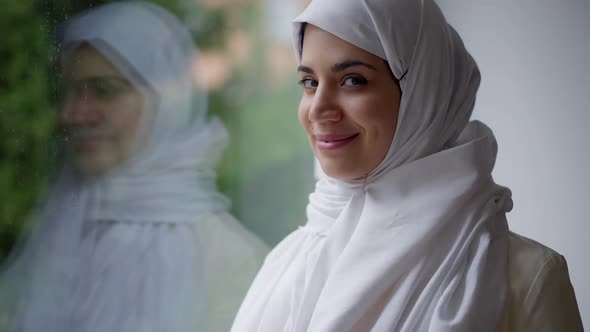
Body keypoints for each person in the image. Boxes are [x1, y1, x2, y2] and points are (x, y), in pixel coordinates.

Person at [231, 0, 584, 331]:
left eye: (353, 80)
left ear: (423, 92)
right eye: (309, 82)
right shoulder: (287, 263)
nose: (319, 109)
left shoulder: (526, 277)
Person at [0, 2, 267, 332]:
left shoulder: (230, 259)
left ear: (167, 103)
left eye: (104, 91)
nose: (72, 113)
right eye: (67, 92)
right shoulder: (59, 228)